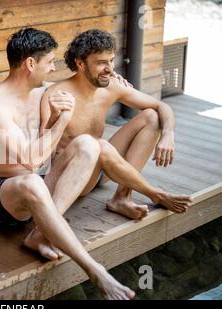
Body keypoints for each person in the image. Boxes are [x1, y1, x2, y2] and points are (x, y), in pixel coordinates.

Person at [0, 27, 135, 300]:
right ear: (30, 63)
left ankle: (40, 234)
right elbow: (29, 160)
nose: (52, 69)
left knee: (87, 144)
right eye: (49, 62)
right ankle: (95, 270)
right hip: (4, 196)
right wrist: (62, 119)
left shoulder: (42, 92)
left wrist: (112, 80)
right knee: (31, 180)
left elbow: (83, 83)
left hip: (39, 182)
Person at [40, 29, 193, 220]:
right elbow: (42, 155)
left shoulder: (111, 86)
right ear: (80, 63)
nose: (110, 69)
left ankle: (122, 197)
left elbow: (161, 106)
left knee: (152, 117)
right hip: (72, 177)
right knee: (99, 145)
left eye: (111, 60)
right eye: (102, 62)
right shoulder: (57, 96)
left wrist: (168, 134)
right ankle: (155, 193)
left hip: (100, 169)